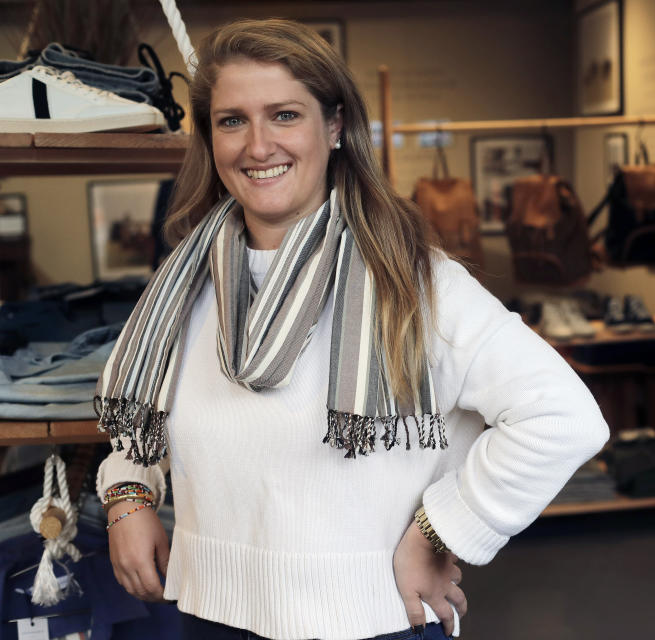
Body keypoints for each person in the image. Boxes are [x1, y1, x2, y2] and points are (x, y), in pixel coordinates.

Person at [95, 18, 608, 640]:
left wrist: (439, 531)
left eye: (285, 115)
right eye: (232, 121)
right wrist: (129, 494)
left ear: (334, 127)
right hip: (212, 613)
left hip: (370, 621)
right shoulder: (182, 286)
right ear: (210, 137)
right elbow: (138, 419)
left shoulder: (414, 281)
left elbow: (562, 418)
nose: (258, 146)